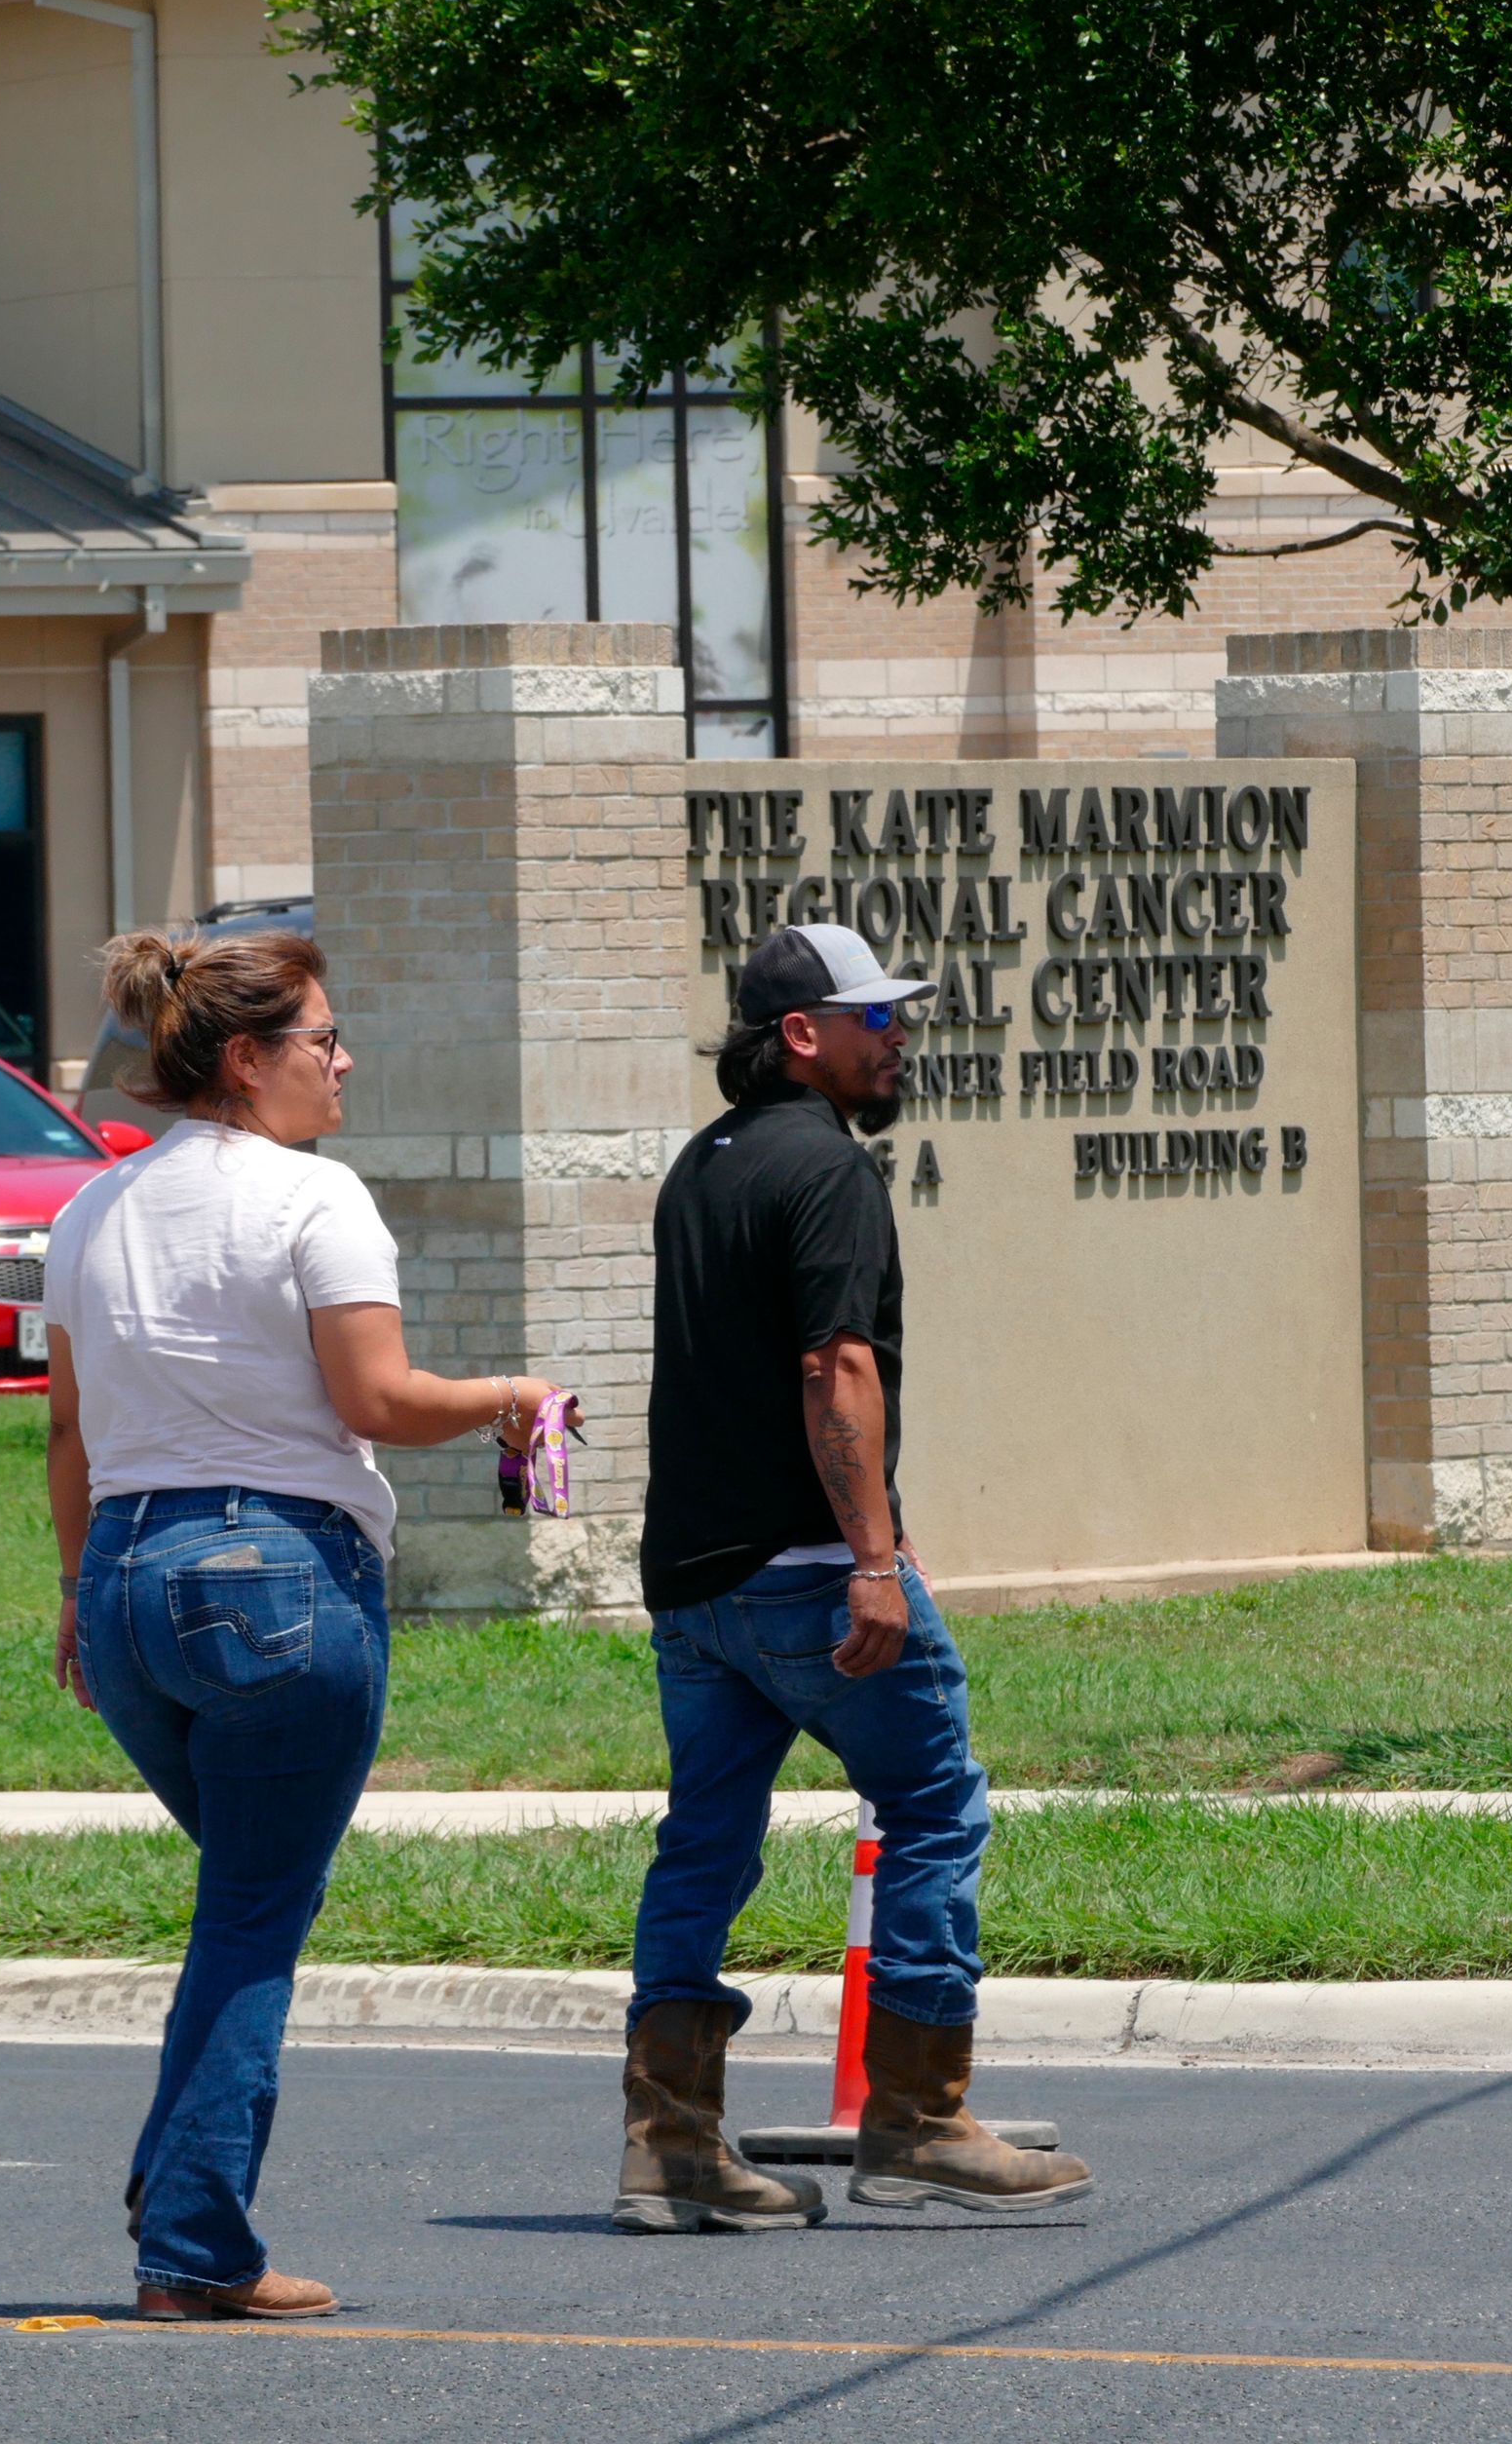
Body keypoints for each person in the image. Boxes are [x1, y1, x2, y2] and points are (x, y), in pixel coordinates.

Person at [44, 927, 575, 2320]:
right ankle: (195, 2245)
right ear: (246, 1059)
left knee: (244, 1900)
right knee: (254, 1917)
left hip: (127, 1578)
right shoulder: (313, 1197)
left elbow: (68, 1436)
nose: (345, 1061)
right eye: (323, 1038)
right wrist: (511, 1393)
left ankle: (176, 2184)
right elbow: (377, 1401)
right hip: (275, 1581)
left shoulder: (92, 1210)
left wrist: (74, 1598)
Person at [620, 922, 1094, 2228]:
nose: (899, 1037)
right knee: (935, 1805)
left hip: (693, 1579)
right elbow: (836, 1368)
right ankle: (920, 2121)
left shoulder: (700, 1167)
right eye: (876, 1019)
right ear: (801, 1039)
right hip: (812, 1572)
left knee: (703, 1846)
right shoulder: (826, 1170)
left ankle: (668, 2151)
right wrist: (873, 1559)